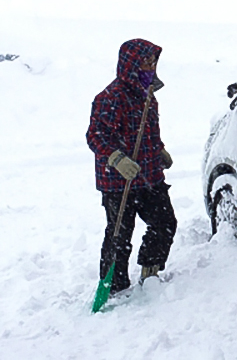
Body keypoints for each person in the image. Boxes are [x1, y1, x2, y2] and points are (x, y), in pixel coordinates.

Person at [86, 39, 177, 295]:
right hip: (119, 182)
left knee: (164, 222)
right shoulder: (110, 97)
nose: (150, 66)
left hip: (149, 176)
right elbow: (95, 136)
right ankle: (113, 286)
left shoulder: (148, 96)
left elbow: (146, 131)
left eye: (152, 61)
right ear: (130, 64)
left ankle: (150, 270)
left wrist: (158, 150)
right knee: (119, 236)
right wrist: (116, 159)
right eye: (144, 61)